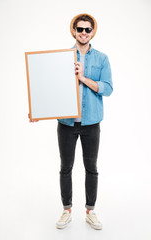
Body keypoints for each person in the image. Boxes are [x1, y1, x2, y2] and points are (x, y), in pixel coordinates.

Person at [56, 13, 113, 230]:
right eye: (79, 29)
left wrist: (82, 78)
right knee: (65, 168)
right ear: (73, 30)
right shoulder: (61, 57)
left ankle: (90, 211)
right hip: (66, 123)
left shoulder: (102, 59)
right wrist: (37, 110)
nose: (83, 33)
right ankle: (66, 210)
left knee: (91, 167)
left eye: (87, 29)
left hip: (91, 123)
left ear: (93, 32)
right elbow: (50, 89)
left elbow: (107, 88)